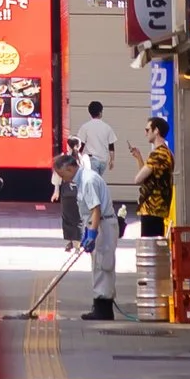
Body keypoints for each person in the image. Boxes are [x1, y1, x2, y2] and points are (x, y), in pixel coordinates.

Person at [80, 124, 120, 320]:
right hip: (102, 224)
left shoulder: (87, 180)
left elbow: (95, 209)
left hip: (103, 225)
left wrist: (92, 234)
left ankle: (103, 309)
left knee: (102, 266)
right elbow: (112, 145)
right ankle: (101, 307)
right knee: (101, 266)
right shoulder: (105, 127)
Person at [136, 112, 175, 237]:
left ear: (156, 130)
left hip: (152, 208)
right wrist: (139, 157)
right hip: (158, 208)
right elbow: (146, 177)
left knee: (150, 249)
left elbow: (138, 179)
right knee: (155, 248)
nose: (145, 133)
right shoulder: (167, 153)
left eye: (147, 130)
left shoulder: (158, 154)